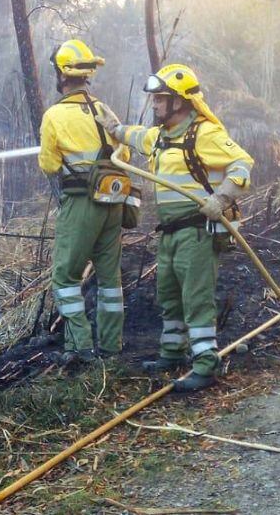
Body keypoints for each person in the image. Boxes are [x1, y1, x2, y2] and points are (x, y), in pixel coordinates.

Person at [99, 64, 254, 391]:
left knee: (196, 298)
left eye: (160, 99)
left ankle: (205, 365)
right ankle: (173, 352)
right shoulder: (159, 137)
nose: (154, 104)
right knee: (168, 295)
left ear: (180, 102)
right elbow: (135, 136)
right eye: (154, 99)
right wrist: (114, 128)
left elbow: (242, 164)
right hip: (169, 232)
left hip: (197, 231)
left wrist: (222, 199)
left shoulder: (205, 134)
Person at [37, 39, 127, 363]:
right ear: (87, 74)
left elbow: (48, 165)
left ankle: (80, 346)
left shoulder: (54, 116)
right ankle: (112, 346)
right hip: (113, 202)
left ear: (62, 75)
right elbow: (125, 153)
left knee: (65, 276)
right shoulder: (105, 110)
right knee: (109, 279)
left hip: (80, 203)